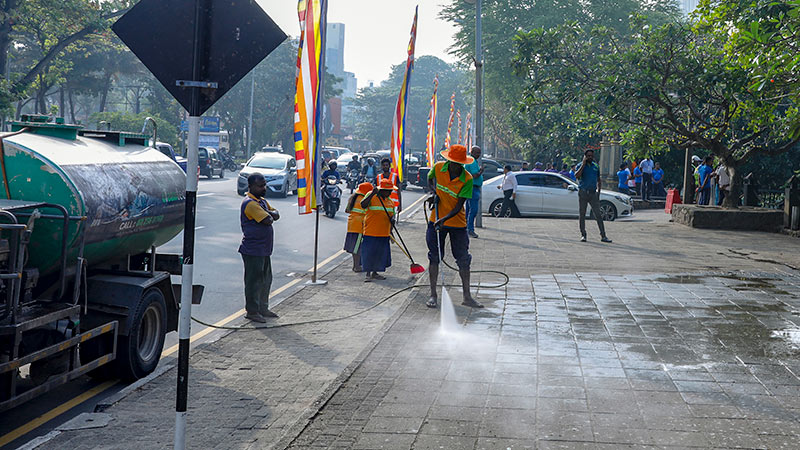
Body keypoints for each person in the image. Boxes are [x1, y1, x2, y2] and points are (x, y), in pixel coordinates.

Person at [426, 144, 482, 309]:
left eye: (459, 163)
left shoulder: (467, 179)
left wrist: (444, 219)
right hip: (435, 220)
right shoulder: (437, 168)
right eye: (453, 162)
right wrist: (434, 192)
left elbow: (458, 207)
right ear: (448, 160)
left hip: (456, 223)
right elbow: (429, 179)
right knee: (434, 257)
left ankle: (467, 296)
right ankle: (433, 295)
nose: (456, 166)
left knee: (463, 259)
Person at [239, 173, 281, 322]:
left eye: (264, 185)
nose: (264, 188)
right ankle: (252, 311)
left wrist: (269, 213)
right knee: (254, 281)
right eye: (260, 186)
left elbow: (276, 214)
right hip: (253, 249)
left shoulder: (261, 202)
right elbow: (268, 219)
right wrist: (270, 214)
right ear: (251, 186)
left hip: (264, 249)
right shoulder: (250, 203)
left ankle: (263, 308)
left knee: (265, 279)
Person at [360, 179, 396, 282]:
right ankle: (367, 273)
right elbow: (363, 205)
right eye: (388, 190)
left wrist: (391, 227)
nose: (390, 193)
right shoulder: (371, 196)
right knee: (369, 253)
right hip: (370, 232)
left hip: (384, 233)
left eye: (391, 191)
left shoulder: (390, 202)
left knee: (379, 254)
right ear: (382, 190)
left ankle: (375, 273)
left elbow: (392, 216)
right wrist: (372, 194)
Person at [575, 149, 611, 243]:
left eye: (591, 156)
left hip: (592, 193)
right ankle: (583, 235)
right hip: (583, 192)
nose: (590, 157)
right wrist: (583, 164)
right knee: (582, 214)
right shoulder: (580, 165)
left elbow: (599, 179)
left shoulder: (595, 166)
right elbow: (577, 176)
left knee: (598, 215)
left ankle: (603, 235)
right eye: (588, 156)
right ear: (585, 156)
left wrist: (598, 192)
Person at [344, 182, 373, 272]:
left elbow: (347, 210)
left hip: (352, 224)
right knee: (358, 248)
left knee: (354, 247)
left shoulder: (353, 198)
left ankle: (356, 265)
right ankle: (356, 266)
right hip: (360, 225)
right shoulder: (365, 200)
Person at [464, 145, 484, 238]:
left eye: (479, 153)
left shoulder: (472, 160)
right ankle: (470, 229)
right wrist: (481, 171)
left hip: (471, 187)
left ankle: (466, 228)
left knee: (468, 210)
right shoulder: (471, 161)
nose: (478, 155)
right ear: (472, 152)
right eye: (477, 152)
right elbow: (475, 175)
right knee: (473, 210)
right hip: (472, 187)